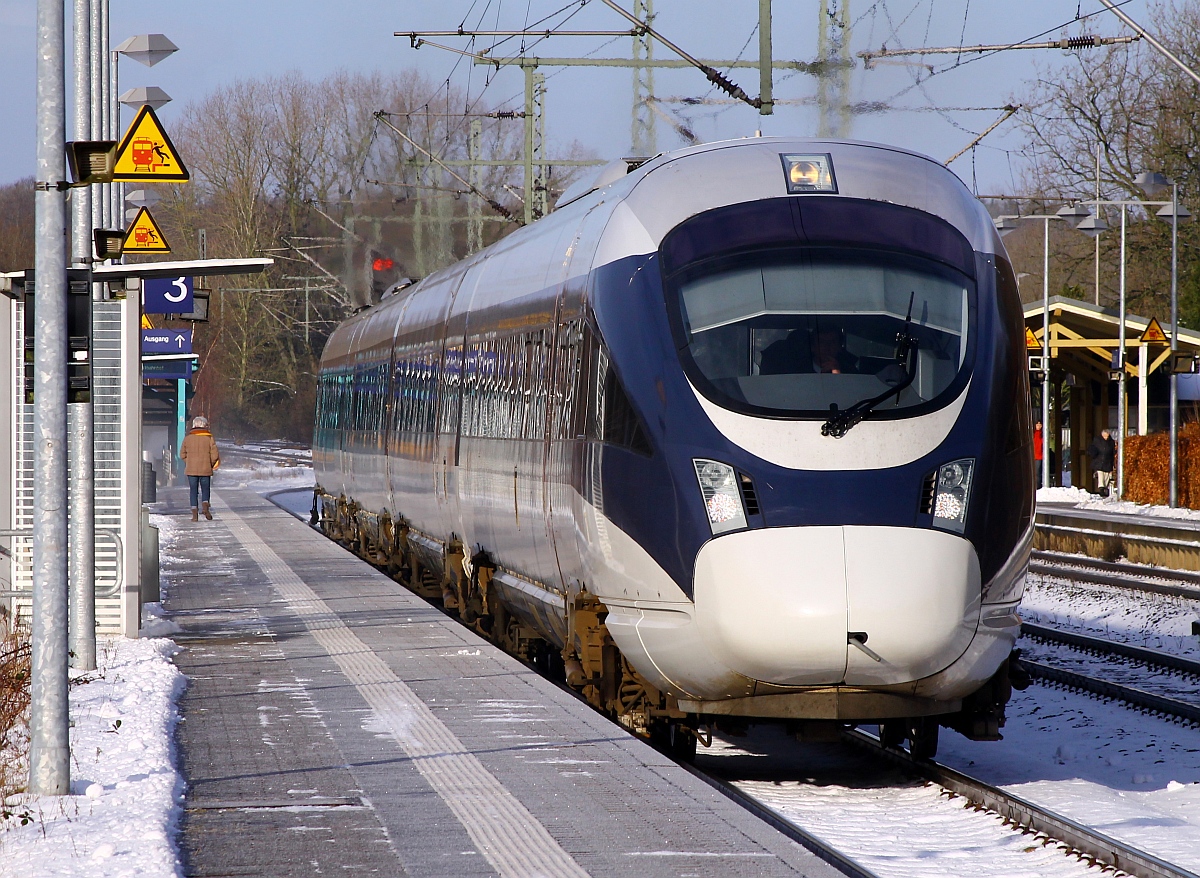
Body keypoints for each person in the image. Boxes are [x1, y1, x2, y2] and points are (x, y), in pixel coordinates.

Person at [181, 416, 220, 521]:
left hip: (191, 470)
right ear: (204, 425)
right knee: (205, 489)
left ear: (194, 425)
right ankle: (205, 505)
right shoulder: (209, 438)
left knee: (193, 490)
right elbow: (215, 454)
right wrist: (209, 463)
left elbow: (182, 454)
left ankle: (194, 514)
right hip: (205, 469)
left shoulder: (187, 438)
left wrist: (189, 462)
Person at [1087, 429, 1117, 497]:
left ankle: (1104, 488)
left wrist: (1113, 463)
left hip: (1108, 461)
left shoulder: (1111, 442)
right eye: (1105, 436)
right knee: (1100, 474)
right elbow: (1092, 448)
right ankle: (1101, 488)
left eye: (1107, 436)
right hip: (1099, 460)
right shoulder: (1097, 440)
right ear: (1102, 435)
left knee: (1106, 476)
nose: (1106, 438)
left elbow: (1112, 452)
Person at [1033, 420, 1044, 488]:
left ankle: (1038, 487)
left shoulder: (1043, 434)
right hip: (1033, 456)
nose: (1039, 426)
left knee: (1037, 473)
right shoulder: (1033, 434)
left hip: (1039, 456)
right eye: (1037, 425)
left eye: (1040, 425)